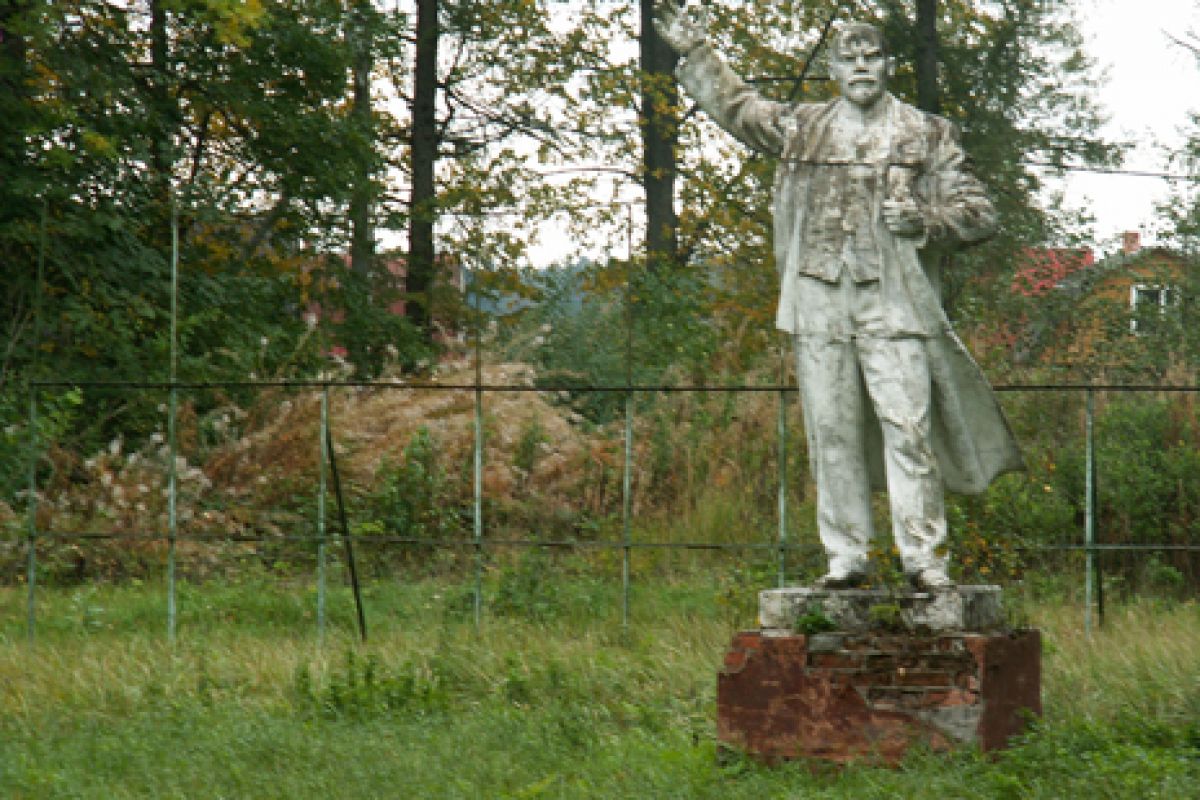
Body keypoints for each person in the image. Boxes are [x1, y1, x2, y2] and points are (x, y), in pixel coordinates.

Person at [654, 5, 1023, 590]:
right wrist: (697, 53)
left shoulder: (926, 133)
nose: (862, 68)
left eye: (872, 57)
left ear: (889, 65)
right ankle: (846, 557)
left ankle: (924, 559)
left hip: (894, 304)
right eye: (850, 59)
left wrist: (926, 220)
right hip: (819, 300)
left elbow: (979, 213)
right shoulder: (804, 127)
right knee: (832, 432)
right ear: (833, 70)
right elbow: (740, 110)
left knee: (908, 429)